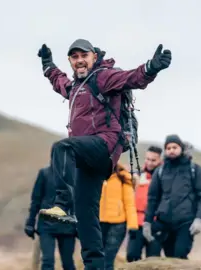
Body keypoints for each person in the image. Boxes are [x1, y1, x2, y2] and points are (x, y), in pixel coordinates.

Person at [36, 39, 172, 269]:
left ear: (93, 56)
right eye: (74, 57)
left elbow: (131, 78)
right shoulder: (75, 88)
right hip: (88, 160)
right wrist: (47, 62)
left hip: (104, 145)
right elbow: (57, 79)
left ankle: (62, 203)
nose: (79, 60)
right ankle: (95, 266)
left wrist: (152, 67)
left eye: (83, 56)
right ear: (70, 61)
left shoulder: (103, 76)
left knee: (62, 147)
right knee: (86, 218)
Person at [143, 134, 201, 259]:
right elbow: (153, 198)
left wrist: (200, 219)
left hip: (185, 222)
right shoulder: (160, 171)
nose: (171, 150)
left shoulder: (195, 170)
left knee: (180, 255)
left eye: (175, 147)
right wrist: (147, 221)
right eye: (168, 148)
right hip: (164, 221)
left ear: (181, 148)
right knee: (164, 255)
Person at [25, 166, 77, 270]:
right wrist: (30, 222)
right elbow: (36, 199)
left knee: (68, 263)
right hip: (47, 226)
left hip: (68, 225)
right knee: (48, 261)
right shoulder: (44, 174)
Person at [126, 145, 163, 262]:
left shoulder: (164, 177)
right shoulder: (137, 175)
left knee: (153, 259)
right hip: (136, 222)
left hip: (155, 223)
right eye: (147, 159)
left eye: (153, 160)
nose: (149, 163)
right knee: (132, 256)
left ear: (160, 160)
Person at [99, 162, 138, 270]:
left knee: (108, 259)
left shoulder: (123, 177)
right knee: (97, 258)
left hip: (118, 224)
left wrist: (133, 226)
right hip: (98, 223)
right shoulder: (94, 176)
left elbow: (129, 203)